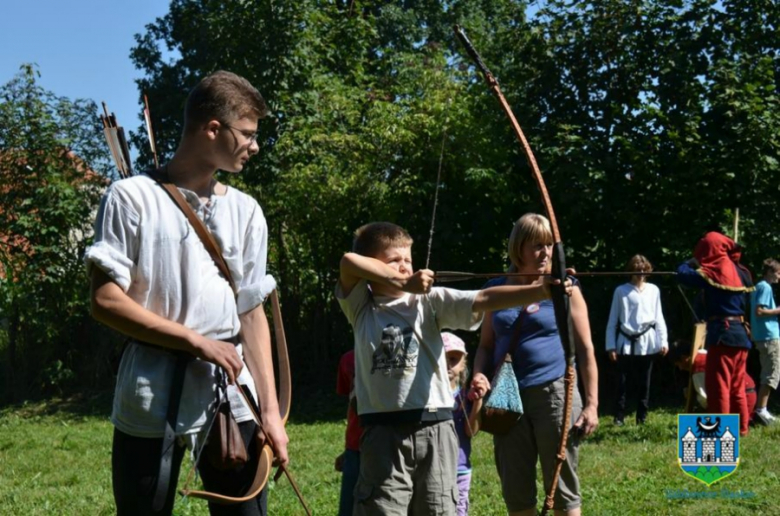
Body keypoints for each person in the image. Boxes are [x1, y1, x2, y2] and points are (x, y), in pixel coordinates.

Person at [85, 71, 287, 515]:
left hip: (230, 393)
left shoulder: (246, 211)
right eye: (248, 134)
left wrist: (270, 413)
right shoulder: (131, 197)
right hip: (151, 387)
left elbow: (250, 313)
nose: (254, 146)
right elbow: (105, 301)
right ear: (212, 128)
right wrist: (193, 340)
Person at [336, 221, 571, 515]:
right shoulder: (361, 306)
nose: (405, 266)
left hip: (435, 426)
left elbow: (484, 299)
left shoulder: (430, 300)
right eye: (394, 260)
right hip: (383, 432)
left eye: (408, 260)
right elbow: (348, 262)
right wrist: (402, 284)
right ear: (372, 266)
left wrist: (541, 291)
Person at [469, 213, 599, 516]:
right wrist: (478, 373)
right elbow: (485, 346)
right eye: (536, 246)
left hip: (554, 392)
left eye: (549, 245)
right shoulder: (497, 288)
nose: (545, 253)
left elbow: (586, 348)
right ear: (519, 248)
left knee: (562, 487)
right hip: (506, 398)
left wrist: (591, 404)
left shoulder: (566, 288)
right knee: (516, 491)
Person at [676, 231, 753, 436]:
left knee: (718, 386)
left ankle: (721, 431)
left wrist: (689, 262)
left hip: (723, 334)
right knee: (737, 386)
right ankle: (742, 429)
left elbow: (682, 275)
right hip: (741, 334)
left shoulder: (714, 271)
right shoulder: (742, 271)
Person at [605, 254, 668, 426]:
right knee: (622, 383)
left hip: (647, 342)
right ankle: (619, 417)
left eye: (643, 270)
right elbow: (613, 320)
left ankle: (642, 417)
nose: (640, 273)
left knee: (644, 384)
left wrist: (663, 341)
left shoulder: (653, 290)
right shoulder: (621, 291)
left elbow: (658, 317)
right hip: (625, 343)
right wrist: (611, 346)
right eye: (637, 270)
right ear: (631, 271)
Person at [443, 332, 481, 516]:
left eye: (453, 359)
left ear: (463, 362)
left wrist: (478, 402)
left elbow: (470, 431)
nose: (447, 364)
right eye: (441, 358)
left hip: (460, 467)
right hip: (435, 467)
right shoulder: (427, 395)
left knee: (459, 510)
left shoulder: (467, 395)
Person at [670, 341, 757, 417]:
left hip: (740, 402)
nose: (680, 368)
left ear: (684, 358)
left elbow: (705, 400)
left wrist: (691, 394)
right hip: (748, 394)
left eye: (678, 364)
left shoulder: (699, 369)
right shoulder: (704, 353)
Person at [749, 258, 780, 425]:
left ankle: (762, 409)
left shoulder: (758, 286)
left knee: (768, 373)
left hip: (761, 336)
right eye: (778, 273)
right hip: (768, 336)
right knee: (771, 374)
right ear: (769, 272)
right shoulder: (765, 287)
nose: (779, 276)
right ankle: (761, 410)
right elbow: (759, 311)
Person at [335, 349, 361, 515]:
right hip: (355, 447)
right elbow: (350, 405)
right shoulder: (348, 359)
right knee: (348, 508)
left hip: (385, 445)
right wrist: (347, 448)